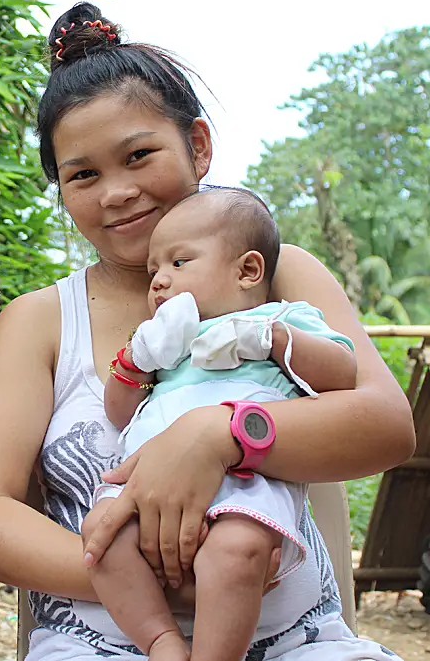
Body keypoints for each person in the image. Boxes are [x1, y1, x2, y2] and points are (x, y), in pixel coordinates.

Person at [0, 2, 415, 661]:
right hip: (100, 637)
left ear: (196, 145)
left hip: (296, 639)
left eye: (139, 155)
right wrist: (158, 579)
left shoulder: (277, 275)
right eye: (83, 174)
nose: (116, 192)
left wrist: (220, 435)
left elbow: (387, 424)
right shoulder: (41, 322)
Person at [83, 187, 359, 661]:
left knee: (238, 552)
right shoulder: (167, 341)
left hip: (248, 480)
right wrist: (136, 357)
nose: (159, 281)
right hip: (148, 478)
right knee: (102, 536)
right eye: (154, 270)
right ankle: (161, 640)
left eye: (178, 263)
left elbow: (343, 374)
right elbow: (118, 410)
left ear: (248, 270)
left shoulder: (282, 316)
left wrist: (270, 338)